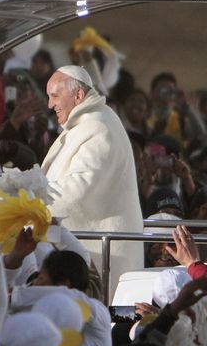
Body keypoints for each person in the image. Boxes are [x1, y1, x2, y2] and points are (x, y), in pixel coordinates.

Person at [41, 65, 143, 292]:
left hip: (106, 253)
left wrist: (30, 197)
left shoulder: (99, 126)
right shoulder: (85, 123)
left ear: (78, 95)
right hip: (87, 248)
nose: (50, 104)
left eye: (55, 96)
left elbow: (79, 190)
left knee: (115, 318)